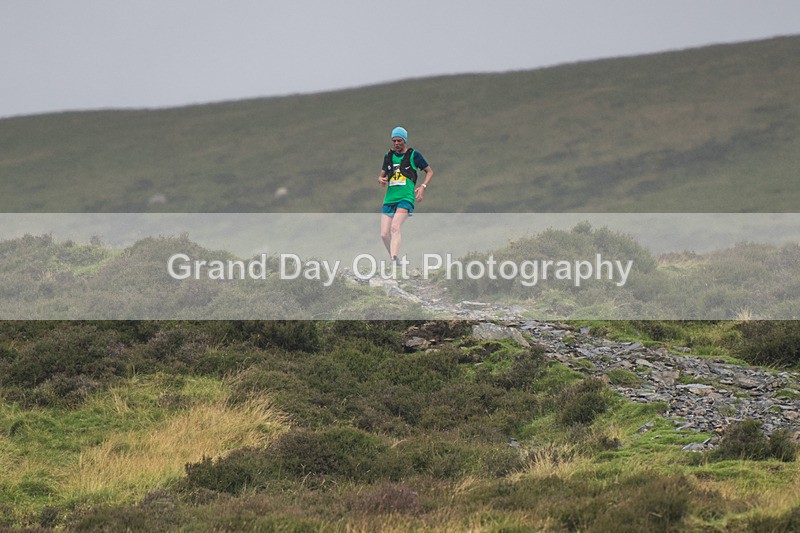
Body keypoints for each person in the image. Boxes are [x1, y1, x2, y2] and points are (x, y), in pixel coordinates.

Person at [378, 126, 433, 264]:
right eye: (394, 141)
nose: (396, 143)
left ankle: (394, 259)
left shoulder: (414, 155)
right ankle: (395, 259)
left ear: (405, 140)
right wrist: (381, 180)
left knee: (395, 227)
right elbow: (381, 175)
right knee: (384, 234)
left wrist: (423, 187)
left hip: (405, 198)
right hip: (390, 198)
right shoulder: (388, 156)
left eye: (399, 140)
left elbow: (430, 171)